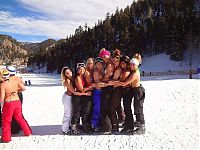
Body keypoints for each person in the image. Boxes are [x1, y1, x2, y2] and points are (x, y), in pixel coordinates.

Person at [114, 58, 146, 135]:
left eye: (133, 64)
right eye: (131, 64)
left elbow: (125, 83)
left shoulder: (135, 73)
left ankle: (141, 127)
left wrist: (113, 83)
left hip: (138, 91)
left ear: (137, 65)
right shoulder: (132, 71)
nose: (131, 66)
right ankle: (131, 123)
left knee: (138, 109)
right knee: (135, 108)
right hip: (135, 91)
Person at [0, 69, 32, 143]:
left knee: (6, 121)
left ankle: (6, 138)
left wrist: (2, 105)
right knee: (20, 118)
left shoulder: (3, 84)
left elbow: (1, 98)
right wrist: (16, 91)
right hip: (17, 101)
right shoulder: (15, 81)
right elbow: (23, 88)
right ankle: (28, 132)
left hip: (9, 103)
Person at [60, 66, 89, 135]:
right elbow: (74, 92)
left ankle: (70, 126)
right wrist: (85, 94)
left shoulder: (73, 77)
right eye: (67, 73)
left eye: (69, 71)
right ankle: (65, 129)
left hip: (71, 97)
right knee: (68, 113)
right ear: (65, 75)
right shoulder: (68, 80)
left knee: (73, 112)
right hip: (67, 98)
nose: (69, 73)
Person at [70, 63, 93, 135]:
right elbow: (82, 89)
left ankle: (84, 125)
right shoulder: (77, 78)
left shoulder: (84, 77)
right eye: (79, 69)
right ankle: (74, 127)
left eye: (82, 69)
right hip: (77, 96)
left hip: (82, 96)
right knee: (77, 111)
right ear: (77, 70)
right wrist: (89, 89)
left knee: (85, 111)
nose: (81, 71)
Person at [98, 48, 115, 135]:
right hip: (107, 87)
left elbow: (107, 76)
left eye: (103, 56)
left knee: (104, 107)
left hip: (107, 87)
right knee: (105, 107)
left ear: (107, 56)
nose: (103, 58)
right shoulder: (107, 63)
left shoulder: (109, 65)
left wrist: (101, 80)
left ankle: (107, 128)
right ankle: (107, 126)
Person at [6, 66, 23, 134]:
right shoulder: (18, 78)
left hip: (12, 96)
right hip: (19, 95)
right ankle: (19, 126)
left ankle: (14, 129)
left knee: (11, 112)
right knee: (18, 112)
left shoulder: (8, 79)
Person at [91, 57, 104, 132]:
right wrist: (107, 84)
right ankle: (94, 124)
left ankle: (99, 124)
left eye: (100, 64)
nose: (99, 65)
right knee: (97, 108)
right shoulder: (96, 72)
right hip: (97, 92)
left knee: (101, 108)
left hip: (102, 92)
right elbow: (97, 83)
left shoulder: (102, 71)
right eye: (97, 64)